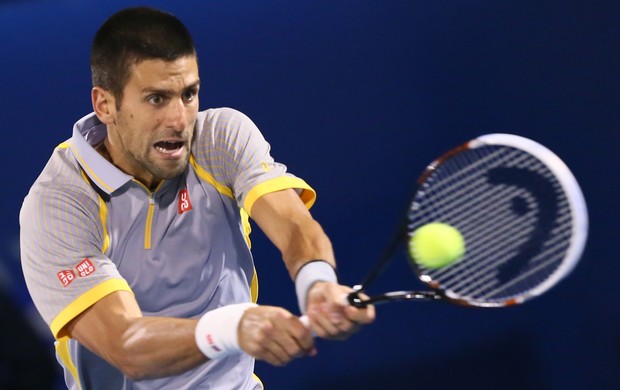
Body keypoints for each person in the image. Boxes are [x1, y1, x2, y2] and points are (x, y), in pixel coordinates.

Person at [19, 6, 374, 390]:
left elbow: (292, 224)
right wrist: (232, 328)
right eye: (156, 99)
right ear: (105, 105)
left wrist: (317, 284)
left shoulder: (220, 138)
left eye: (189, 94)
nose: (179, 119)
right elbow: (127, 346)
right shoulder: (59, 204)